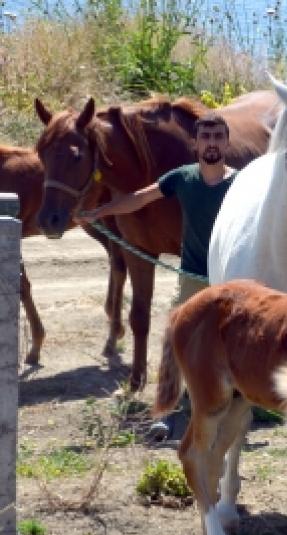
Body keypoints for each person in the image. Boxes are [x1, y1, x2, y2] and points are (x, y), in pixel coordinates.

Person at [78, 112, 238, 441]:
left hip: (231, 279)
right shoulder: (182, 178)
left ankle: (233, 409)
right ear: (195, 144)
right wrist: (102, 211)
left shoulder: (240, 183)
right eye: (205, 137)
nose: (211, 143)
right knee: (174, 341)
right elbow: (139, 198)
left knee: (232, 344)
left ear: (226, 143)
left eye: (217, 137)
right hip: (193, 278)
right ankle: (165, 411)